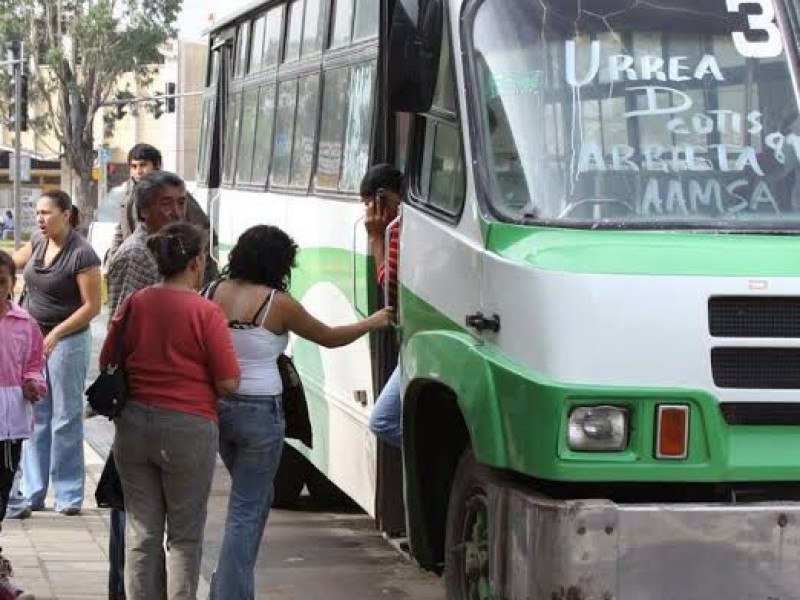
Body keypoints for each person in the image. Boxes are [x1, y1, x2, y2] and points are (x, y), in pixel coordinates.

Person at [205, 225, 392, 600]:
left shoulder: (212, 292)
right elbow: (329, 336)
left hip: (219, 409)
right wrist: (374, 321)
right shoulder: (277, 302)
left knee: (248, 506)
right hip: (261, 413)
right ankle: (230, 594)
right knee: (247, 510)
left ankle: (229, 587)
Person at [101, 221, 240, 600]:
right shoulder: (206, 312)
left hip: (132, 428)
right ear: (196, 262)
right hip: (188, 429)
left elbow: (107, 359)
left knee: (142, 534)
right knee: (184, 536)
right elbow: (228, 382)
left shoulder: (136, 303)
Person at [105, 170, 188, 600]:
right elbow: (119, 332)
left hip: (163, 400)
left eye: (180, 203)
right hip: (138, 402)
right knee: (133, 517)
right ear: (143, 210)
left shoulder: (172, 250)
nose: (176, 212)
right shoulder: (137, 255)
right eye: (166, 205)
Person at [10, 190, 101, 517]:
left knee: (66, 417)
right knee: (35, 415)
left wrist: (57, 334)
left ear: (67, 214)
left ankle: (69, 494)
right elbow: (11, 263)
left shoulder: (82, 254)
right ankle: (34, 492)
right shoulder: (37, 241)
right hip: (35, 340)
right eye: (38, 213)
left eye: (47, 213)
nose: (40, 219)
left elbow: (92, 307)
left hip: (69, 341)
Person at [0, 249, 45, 600]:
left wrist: (33, 384)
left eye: (1, 282)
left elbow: (33, 364)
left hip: (10, 426)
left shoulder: (25, 323)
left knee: (1, 500)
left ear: (12, 284)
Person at [108, 144, 217, 282]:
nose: (138, 171)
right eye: (134, 167)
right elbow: (120, 232)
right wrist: (112, 259)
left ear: (157, 166)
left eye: (143, 165)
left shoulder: (173, 192)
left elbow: (203, 231)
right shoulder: (129, 196)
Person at [361, 164, 405, 447]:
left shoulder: (396, 229)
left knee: (383, 420)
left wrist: (376, 238)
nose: (367, 214)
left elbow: (390, 286)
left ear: (383, 198)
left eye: (368, 205)